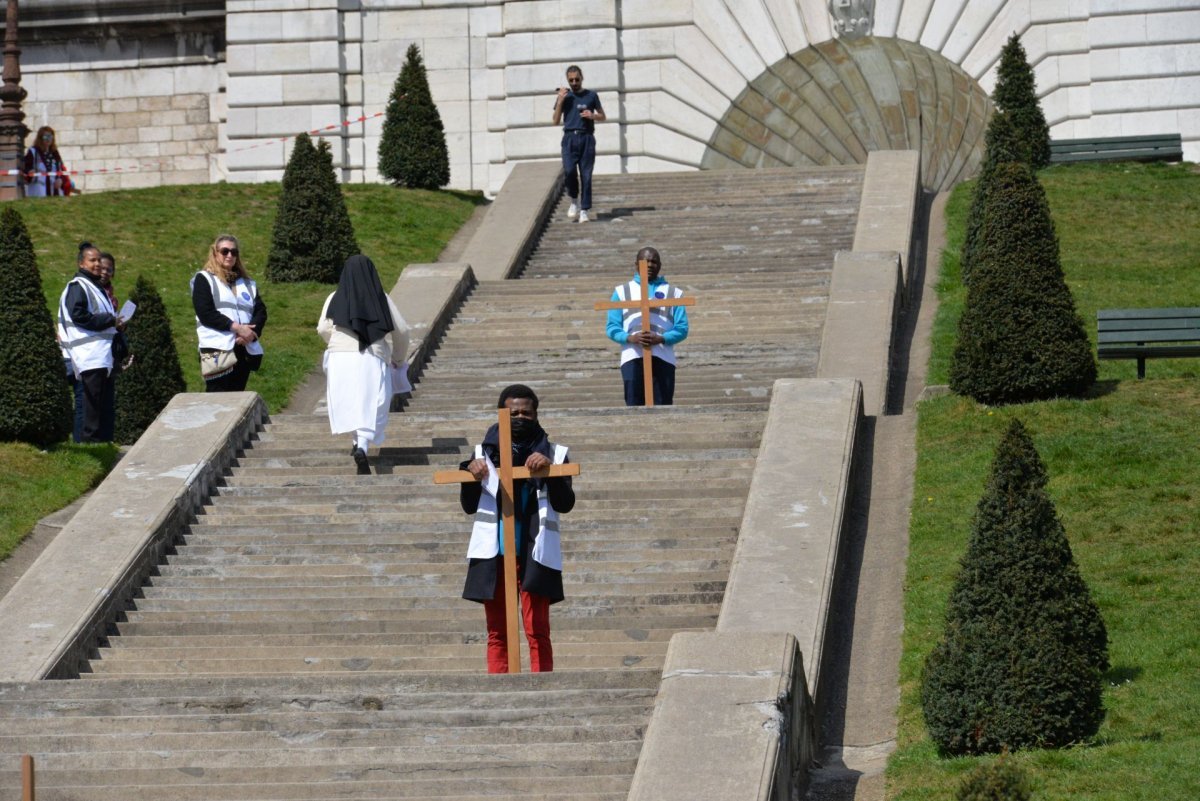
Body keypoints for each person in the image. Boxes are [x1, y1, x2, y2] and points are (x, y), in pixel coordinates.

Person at [458, 385, 575, 673]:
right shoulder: (479, 456)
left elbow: (565, 503)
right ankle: (498, 686)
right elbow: (469, 505)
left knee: (537, 628)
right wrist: (470, 473)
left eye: (527, 412)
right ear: (501, 416)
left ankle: (541, 684)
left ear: (536, 415)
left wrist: (549, 471)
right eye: (513, 413)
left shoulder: (555, 454)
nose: (520, 417)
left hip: (535, 551)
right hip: (494, 553)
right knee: (498, 630)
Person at [317, 255, 410, 475]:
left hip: (339, 356)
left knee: (349, 402)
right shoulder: (381, 298)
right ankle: (362, 446)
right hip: (371, 355)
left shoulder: (334, 297)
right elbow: (402, 332)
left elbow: (322, 328)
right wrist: (398, 359)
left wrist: (337, 343)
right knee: (372, 403)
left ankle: (358, 445)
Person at [605, 247, 690, 406]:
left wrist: (662, 338)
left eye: (654, 261)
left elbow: (682, 328)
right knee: (633, 404)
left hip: (663, 357)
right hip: (633, 356)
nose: (650, 265)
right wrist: (630, 337)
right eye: (646, 261)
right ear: (636, 264)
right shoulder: (622, 292)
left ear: (660, 265)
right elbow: (612, 326)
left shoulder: (674, 293)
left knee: (663, 405)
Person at [58, 242, 125, 442]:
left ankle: (101, 445)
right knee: (91, 409)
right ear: (81, 263)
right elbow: (78, 315)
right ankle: (90, 446)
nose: (97, 264)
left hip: (102, 357)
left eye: (98, 260)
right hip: (89, 356)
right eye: (92, 260)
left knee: (102, 408)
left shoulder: (96, 288)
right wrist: (109, 320)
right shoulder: (78, 286)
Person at [190, 234, 267, 392]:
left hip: (243, 348)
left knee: (238, 399)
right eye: (225, 251)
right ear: (215, 253)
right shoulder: (204, 278)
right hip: (217, 350)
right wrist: (237, 328)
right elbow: (205, 312)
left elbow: (261, 311)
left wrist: (251, 333)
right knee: (216, 399)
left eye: (234, 252)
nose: (230, 255)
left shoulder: (247, 283)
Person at [551, 65, 605, 224]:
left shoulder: (591, 95)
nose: (574, 82)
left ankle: (584, 210)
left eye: (577, 79)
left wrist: (592, 115)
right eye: (571, 80)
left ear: (582, 78)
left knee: (586, 176)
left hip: (586, 138)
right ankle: (574, 199)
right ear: (567, 80)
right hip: (569, 138)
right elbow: (555, 121)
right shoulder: (565, 96)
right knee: (569, 171)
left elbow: (603, 116)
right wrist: (560, 100)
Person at [24, 127, 70, 198]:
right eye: (46, 136)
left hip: (54, 190)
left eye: (50, 136)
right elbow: (25, 167)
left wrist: (61, 180)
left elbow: (62, 170)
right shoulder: (33, 151)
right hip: (39, 190)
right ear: (41, 138)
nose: (48, 139)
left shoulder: (55, 153)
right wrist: (30, 171)